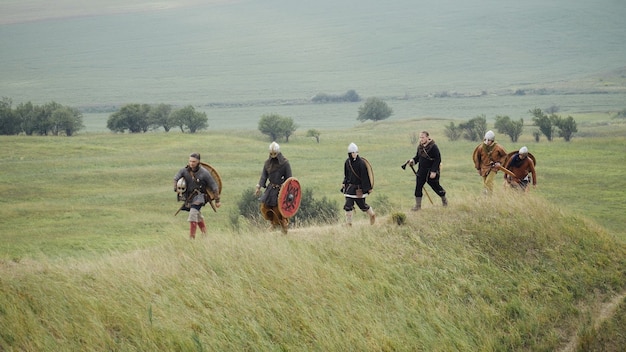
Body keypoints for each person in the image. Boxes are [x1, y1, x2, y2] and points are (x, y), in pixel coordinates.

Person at [173, 152, 221, 239]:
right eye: (190, 161)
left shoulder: (204, 173)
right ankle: (205, 234)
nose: (191, 163)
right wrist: (175, 187)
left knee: (193, 214)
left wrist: (217, 200)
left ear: (198, 161)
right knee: (197, 216)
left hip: (199, 197)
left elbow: (214, 186)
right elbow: (176, 177)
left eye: (194, 161)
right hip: (189, 197)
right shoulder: (184, 170)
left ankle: (192, 238)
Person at [405, 131, 448, 211]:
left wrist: (434, 171)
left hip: (431, 172)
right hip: (421, 171)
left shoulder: (433, 147)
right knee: (418, 187)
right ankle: (418, 206)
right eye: (420, 137)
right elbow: (417, 157)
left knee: (436, 187)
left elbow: (438, 159)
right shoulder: (420, 147)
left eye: (423, 137)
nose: (421, 139)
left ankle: (444, 201)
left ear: (427, 137)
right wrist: (412, 161)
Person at [255, 142, 292, 234]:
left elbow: (289, 178)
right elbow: (264, 176)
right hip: (270, 188)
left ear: (278, 152)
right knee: (265, 206)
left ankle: (283, 224)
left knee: (278, 208)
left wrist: (286, 191)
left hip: (281, 189)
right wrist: (259, 186)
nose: (273, 155)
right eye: (271, 154)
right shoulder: (267, 163)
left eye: (274, 153)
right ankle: (273, 223)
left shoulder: (285, 163)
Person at [342, 143, 375, 225]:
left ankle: (372, 215)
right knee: (348, 206)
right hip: (350, 189)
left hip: (359, 189)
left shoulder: (361, 163)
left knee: (363, 206)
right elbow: (346, 175)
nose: (354, 154)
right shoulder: (347, 162)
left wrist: (368, 188)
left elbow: (365, 177)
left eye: (356, 152)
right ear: (350, 153)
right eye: (353, 153)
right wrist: (344, 182)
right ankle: (348, 224)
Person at [473, 130, 507, 194]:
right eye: (486, 139)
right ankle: (490, 197)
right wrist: (478, 168)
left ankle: (484, 193)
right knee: (487, 183)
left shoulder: (498, 147)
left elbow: (504, 155)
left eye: (489, 140)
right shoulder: (480, 148)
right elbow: (477, 158)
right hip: (483, 168)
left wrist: (499, 163)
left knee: (488, 181)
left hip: (493, 167)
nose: (487, 141)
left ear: (492, 140)